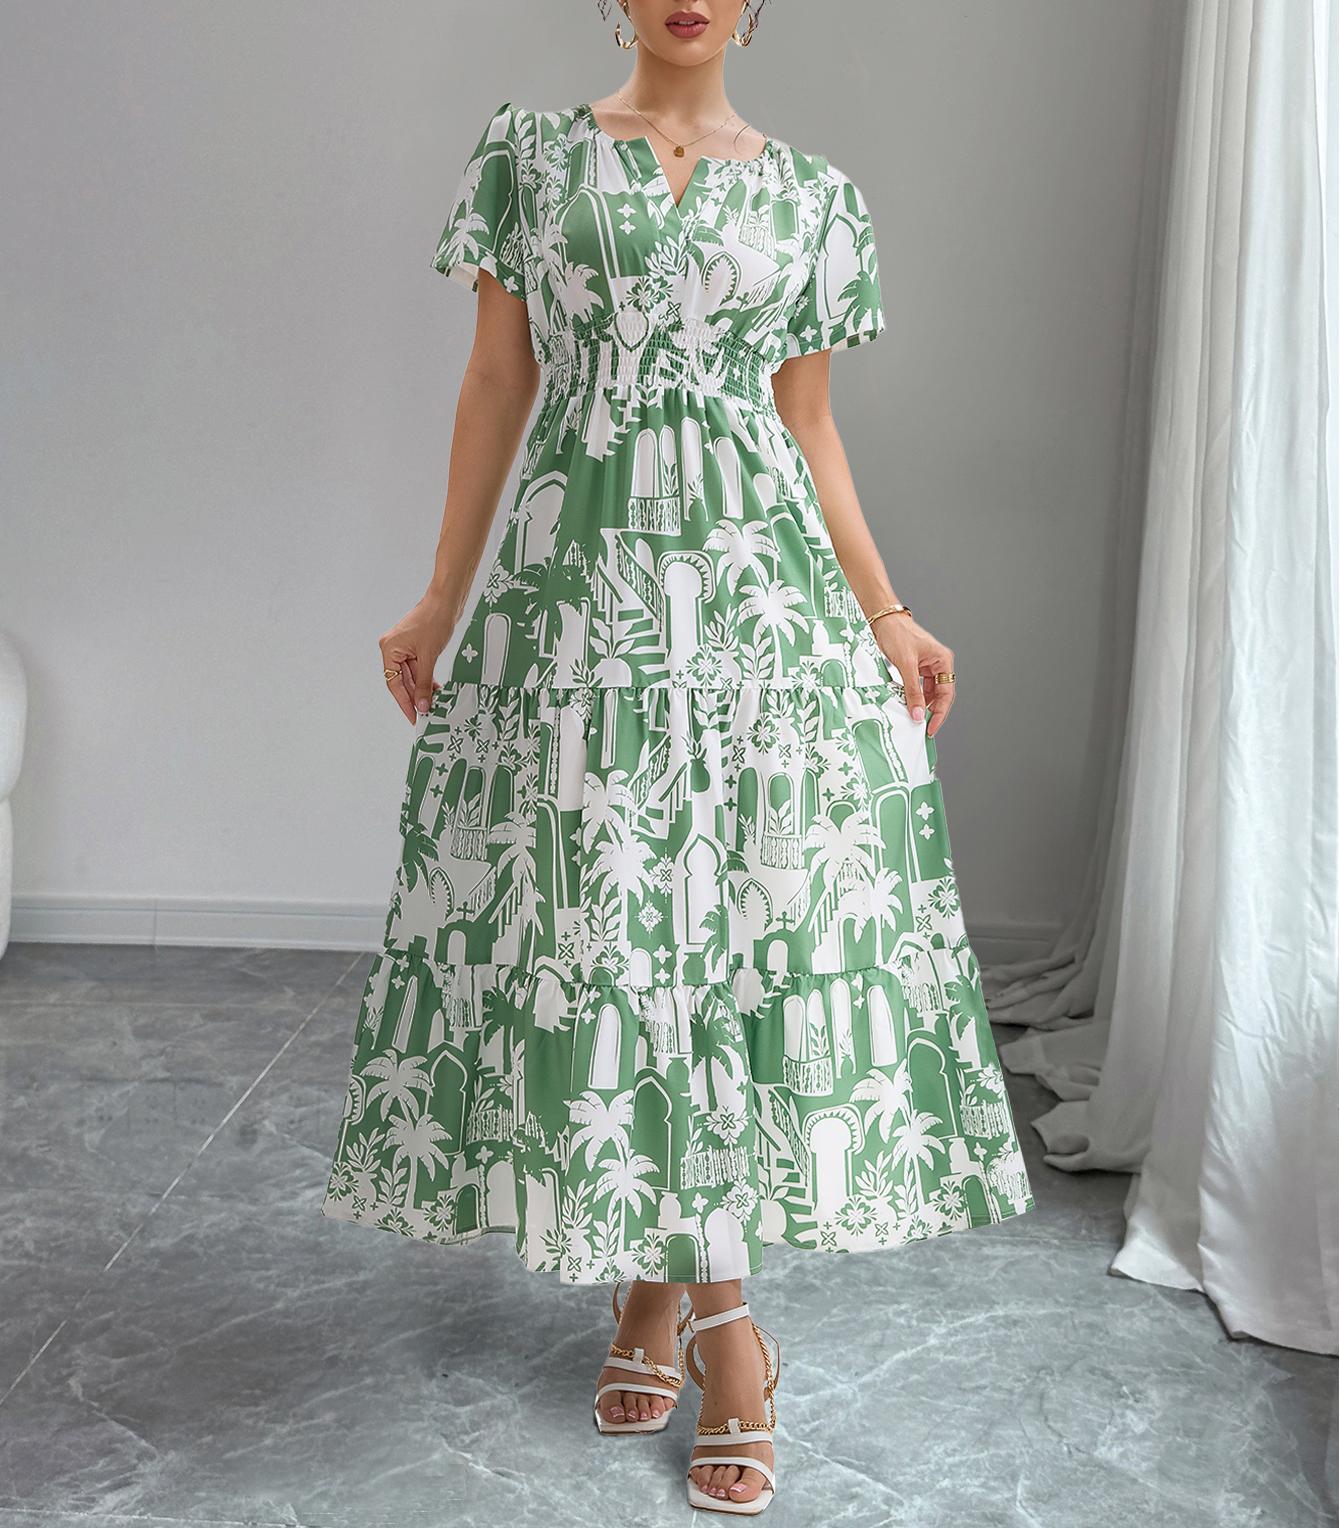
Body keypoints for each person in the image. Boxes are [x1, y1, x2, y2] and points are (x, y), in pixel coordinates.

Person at [320, 0, 1035, 1513]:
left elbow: (807, 424)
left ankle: (694, 1312)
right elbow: (499, 382)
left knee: (727, 938)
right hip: (582, 601)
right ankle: (710, 1317)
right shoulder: (531, 158)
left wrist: (887, 611)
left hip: (760, 607)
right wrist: (442, 595)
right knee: (620, 934)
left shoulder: (815, 198)